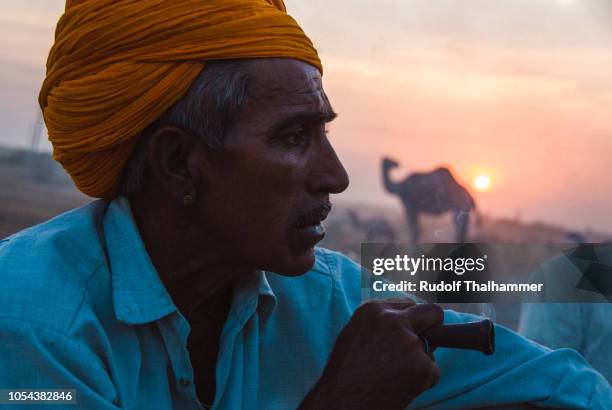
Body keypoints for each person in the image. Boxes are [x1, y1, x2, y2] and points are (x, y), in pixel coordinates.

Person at [0, 0, 610, 408]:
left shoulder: (331, 299)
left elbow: (567, 386)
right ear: (178, 161)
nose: (336, 176)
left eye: (325, 134)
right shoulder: (34, 324)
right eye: (293, 138)